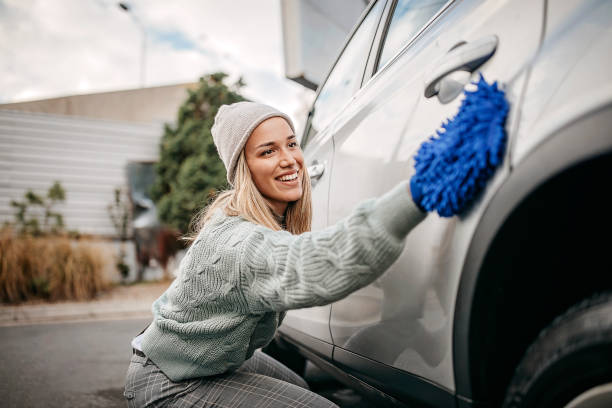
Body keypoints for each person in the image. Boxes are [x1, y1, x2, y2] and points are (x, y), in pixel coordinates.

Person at [123, 101, 427, 407]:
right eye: (268, 151)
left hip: (197, 362)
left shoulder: (256, 224)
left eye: (291, 144)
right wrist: (418, 190)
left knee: (298, 385)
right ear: (244, 168)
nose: (290, 160)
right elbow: (320, 267)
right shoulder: (239, 242)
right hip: (167, 383)